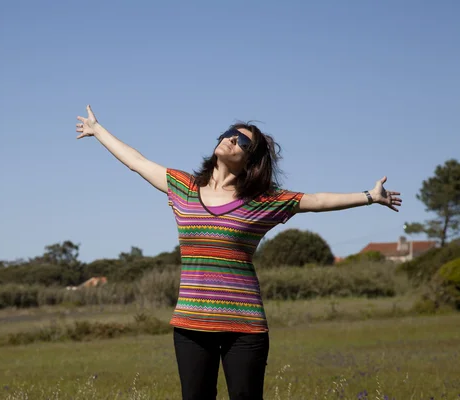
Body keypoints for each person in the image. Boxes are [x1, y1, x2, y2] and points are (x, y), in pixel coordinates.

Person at [75, 105, 402, 400]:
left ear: (251, 159)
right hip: (191, 325)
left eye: (242, 142)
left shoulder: (263, 202)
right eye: (230, 135)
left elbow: (315, 201)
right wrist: (98, 130)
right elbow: (137, 162)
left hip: (244, 327)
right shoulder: (184, 188)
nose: (231, 141)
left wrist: (369, 196)